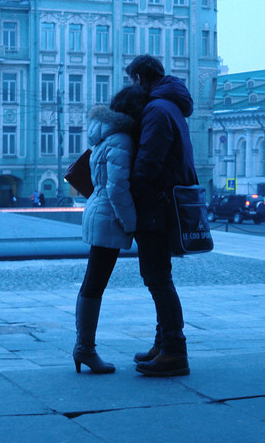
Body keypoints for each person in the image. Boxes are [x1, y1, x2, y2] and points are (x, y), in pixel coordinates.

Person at [126, 55, 196, 377]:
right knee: (159, 278)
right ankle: (163, 343)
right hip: (167, 203)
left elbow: (148, 164)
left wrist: (132, 190)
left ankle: (173, 350)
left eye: (132, 81)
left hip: (157, 206)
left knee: (158, 279)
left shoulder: (156, 109)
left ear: (140, 79)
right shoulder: (172, 107)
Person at [73, 85, 148, 374]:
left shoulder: (104, 136)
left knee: (93, 281)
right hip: (108, 215)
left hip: (98, 211)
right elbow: (118, 189)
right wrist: (130, 224)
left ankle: (84, 348)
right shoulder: (122, 140)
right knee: (95, 283)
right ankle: (85, 348)